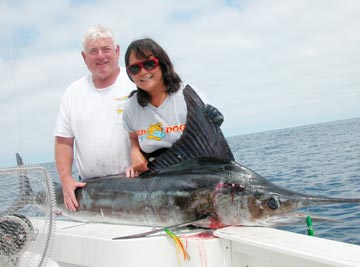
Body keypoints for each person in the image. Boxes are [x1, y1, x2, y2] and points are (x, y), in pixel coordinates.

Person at [54, 25, 136, 211]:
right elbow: (63, 141)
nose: (101, 56)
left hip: (136, 185)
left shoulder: (136, 80)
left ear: (117, 51)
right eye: (93, 51)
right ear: (84, 57)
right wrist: (66, 179)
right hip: (90, 190)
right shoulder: (72, 93)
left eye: (106, 49)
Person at [122, 38, 223, 178]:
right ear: (129, 74)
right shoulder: (130, 106)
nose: (143, 72)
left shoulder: (189, 95)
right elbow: (133, 136)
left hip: (193, 174)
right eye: (135, 68)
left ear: (162, 64)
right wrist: (135, 152)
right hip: (154, 177)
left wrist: (212, 124)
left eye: (149, 64)